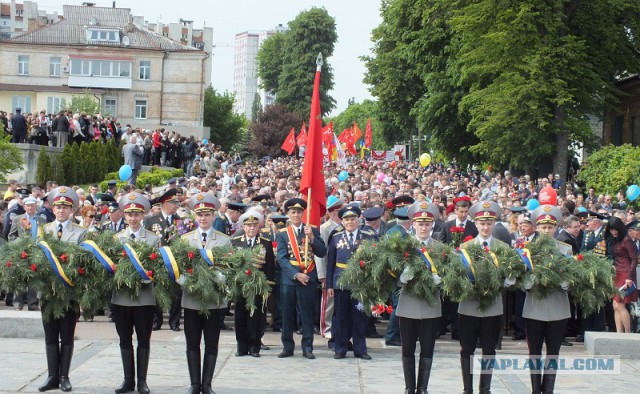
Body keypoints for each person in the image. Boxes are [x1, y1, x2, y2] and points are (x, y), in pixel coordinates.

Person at [39, 187, 87, 392]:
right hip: (48, 292)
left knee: (66, 336)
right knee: (50, 336)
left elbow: (85, 263)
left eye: (65, 207)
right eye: (58, 206)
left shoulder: (81, 232)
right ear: (53, 208)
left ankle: (64, 376)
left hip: (70, 293)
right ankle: (52, 377)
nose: (61, 210)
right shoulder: (44, 230)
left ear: (72, 210)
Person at [181, 192, 230, 394]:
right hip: (191, 299)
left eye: (207, 214)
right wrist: (182, 279)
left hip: (214, 300)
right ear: (195, 216)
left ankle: (207, 384)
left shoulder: (224, 240)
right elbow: (180, 265)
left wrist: (221, 277)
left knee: (211, 343)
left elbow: (229, 266)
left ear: (214, 216)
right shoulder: (185, 240)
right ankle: (194, 384)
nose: (203, 218)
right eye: (200, 214)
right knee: (192, 343)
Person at [112, 192, 161, 394]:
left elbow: (158, 267)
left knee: (143, 339)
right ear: (124, 216)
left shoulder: (153, 239)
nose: (133, 218)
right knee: (124, 339)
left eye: (137, 214)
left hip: (144, 298)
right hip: (121, 297)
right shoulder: (116, 239)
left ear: (143, 216)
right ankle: (127, 380)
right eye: (129, 214)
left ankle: (142, 381)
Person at [458, 201, 508, 394]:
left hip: (493, 306)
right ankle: (467, 388)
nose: (486, 227)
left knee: (489, 349)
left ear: (494, 224)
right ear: (476, 224)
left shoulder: (502, 247)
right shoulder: (465, 247)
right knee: (467, 349)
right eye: (482, 223)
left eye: (489, 223)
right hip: (469, 306)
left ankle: (484, 389)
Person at [395, 201, 444, 394]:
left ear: (432, 225)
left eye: (427, 224)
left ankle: (422, 388)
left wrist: (441, 279)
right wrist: (401, 277)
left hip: (431, 306)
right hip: (408, 305)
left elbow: (449, 275)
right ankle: (409, 387)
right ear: (412, 224)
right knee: (407, 349)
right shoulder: (403, 247)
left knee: (427, 349)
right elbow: (393, 275)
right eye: (419, 223)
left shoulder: (439, 248)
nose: (423, 227)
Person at [523, 205, 572, 394]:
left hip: (559, 307)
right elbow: (521, 278)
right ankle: (536, 390)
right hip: (534, 307)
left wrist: (567, 282)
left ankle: (548, 390)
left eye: (550, 227)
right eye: (543, 227)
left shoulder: (565, 249)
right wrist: (527, 282)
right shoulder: (527, 250)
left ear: (556, 228)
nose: (546, 230)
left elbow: (573, 275)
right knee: (534, 352)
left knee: (553, 352)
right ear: (536, 227)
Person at [276, 198, 327, 359]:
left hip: (308, 278)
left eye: (299, 212)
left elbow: (321, 252)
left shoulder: (311, 230)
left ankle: (307, 347)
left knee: (307, 315)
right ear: (288, 214)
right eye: (293, 212)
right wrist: (296, 274)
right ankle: (287, 346)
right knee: (287, 314)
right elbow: (282, 258)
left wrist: (312, 238)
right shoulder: (283, 234)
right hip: (290, 279)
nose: (296, 215)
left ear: (303, 213)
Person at [326, 204, 377, 360]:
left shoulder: (368, 236)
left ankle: (360, 349)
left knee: (359, 317)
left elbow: (375, 260)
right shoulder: (336, 237)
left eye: (352, 219)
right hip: (341, 282)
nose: (350, 222)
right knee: (341, 317)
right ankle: (340, 348)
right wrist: (329, 285)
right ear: (342, 221)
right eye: (346, 220)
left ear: (358, 220)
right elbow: (330, 262)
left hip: (361, 283)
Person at [231, 211, 275, 357]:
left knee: (257, 317)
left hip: (258, 286)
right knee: (240, 317)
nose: (251, 228)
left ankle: (254, 347)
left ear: (259, 227)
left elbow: (269, 267)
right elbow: (231, 266)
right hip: (241, 286)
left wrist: (267, 288)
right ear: (243, 227)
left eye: (254, 225)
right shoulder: (236, 242)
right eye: (248, 225)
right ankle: (241, 347)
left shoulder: (265, 243)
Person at [144, 188, 182, 331]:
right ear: (165, 203)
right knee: (156, 292)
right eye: (173, 202)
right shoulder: (151, 220)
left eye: (177, 202)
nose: (176, 205)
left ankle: (174, 322)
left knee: (176, 293)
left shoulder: (180, 221)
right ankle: (156, 321)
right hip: (157, 262)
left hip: (175, 263)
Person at [315, 196, 343, 340]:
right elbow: (320, 252)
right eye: (335, 213)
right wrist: (322, 274)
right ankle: (326, 327)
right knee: (328, 302)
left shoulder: (345, 226)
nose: (338, 216)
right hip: (329, 269)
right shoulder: (325, 228)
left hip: (342, 270)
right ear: (331, 213)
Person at [606, 216, 638, 333]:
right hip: (618, 274)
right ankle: (619, 333)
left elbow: (633, 259)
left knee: (619, 305)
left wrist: (629, 278)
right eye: (611, 230)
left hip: (626, 275)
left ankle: (628, 333)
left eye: (615, 230)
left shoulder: (626, 240)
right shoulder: (616, 239)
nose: (613, 232)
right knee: (615, 305)